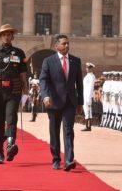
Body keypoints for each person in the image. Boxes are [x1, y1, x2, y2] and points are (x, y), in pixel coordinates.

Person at [0, 24, 28, 164]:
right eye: (4, 34)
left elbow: (23, 75)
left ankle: (10, 145)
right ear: (0, 36)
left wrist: (25, 93)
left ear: (12, 36)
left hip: (14, 91)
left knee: (11, 119)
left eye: (9, 34)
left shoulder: (19, 53)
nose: (6, 36)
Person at [39, 34, 83, 171]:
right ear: (56, 46)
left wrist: (80, 102)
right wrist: (45, 96)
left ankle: (69, 159)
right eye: (64, 43)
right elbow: (43, 80)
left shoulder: (75, 61)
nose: (67, 46)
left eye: (68, 43)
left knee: (69, 130)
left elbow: (79, 83)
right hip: (53, 101)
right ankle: (56, 159)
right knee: (54, 131)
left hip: (70, 102)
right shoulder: (48, 61)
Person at [82, 62, 96, 131]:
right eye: (87, 67)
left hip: (88, 96)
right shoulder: (87, 76)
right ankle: (87, 125)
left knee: (88, 110)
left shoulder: (92, 76)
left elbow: (91, 87)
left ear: (91, 68)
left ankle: (88, 126)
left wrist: (89, 97)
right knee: (85, 110)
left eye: (88, 68)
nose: (87, 69)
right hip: (85, 95)